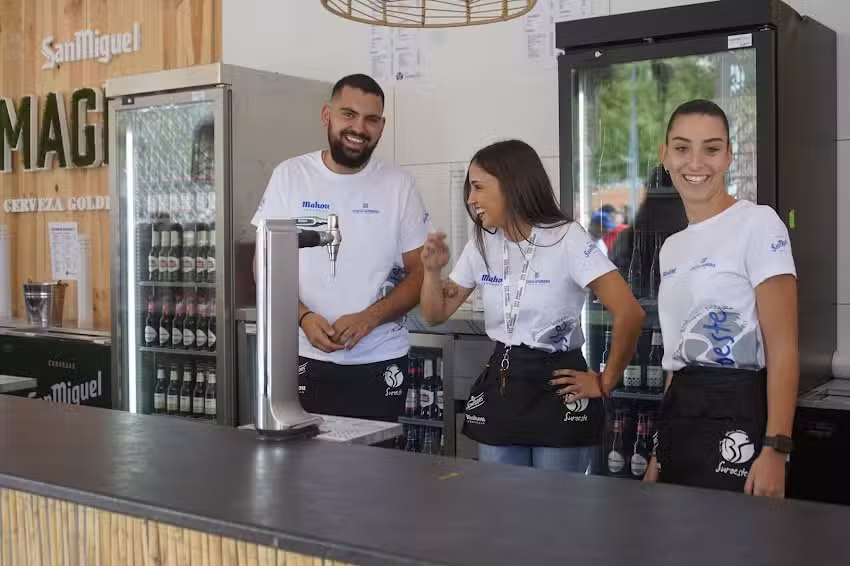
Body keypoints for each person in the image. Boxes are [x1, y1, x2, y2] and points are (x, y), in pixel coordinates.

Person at [420, 139, 645, 471]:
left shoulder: (567, 238)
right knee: (505, 512)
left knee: (553, 513)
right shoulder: (481, 243)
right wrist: (431, 271)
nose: (471, 199)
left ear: (512, 186)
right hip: (504, 383)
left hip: (559, 386)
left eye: (479, 187)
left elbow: (630, 312)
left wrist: (604, 381)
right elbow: (435, 314)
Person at [251, 73, 432, 422]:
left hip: (380, 361)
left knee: (375, 468)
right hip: (301, 357)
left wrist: (369, 319)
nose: (359, 127)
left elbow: (421, 271)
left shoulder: (399, 186)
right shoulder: (290, 176)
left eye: (371, 119)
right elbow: (265, 265)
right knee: (302, 468)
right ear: (326, 116)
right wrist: (303, 317)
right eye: (348, 114)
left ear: (382, 126)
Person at [643, 100, 798, 497]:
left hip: (738, 412)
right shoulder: (672, 248)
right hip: (681, 414)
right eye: (681, 148)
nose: (696, 162)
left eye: (711, 149)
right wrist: (659, 452)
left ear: (728, 156)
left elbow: (783, 347)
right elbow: (677, 356)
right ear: (665, 156)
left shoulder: (758, 223)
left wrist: (776, 449)